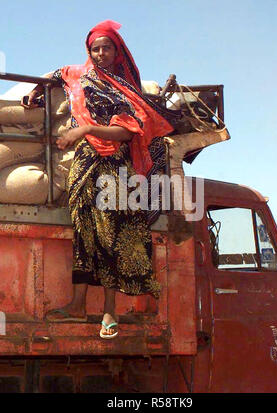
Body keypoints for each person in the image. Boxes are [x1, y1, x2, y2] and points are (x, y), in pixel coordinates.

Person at [21, 20, 178, 339]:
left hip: (114, 165)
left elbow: (127, 131)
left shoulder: (125, 90)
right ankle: (77, 304)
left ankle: (109, 310)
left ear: (117, 51)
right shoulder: (75, 74)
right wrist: (35, 91)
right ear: (88, 52)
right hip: (84, 163)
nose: (101, 53)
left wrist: (87, 129)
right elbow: (54, 75)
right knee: (83, 231)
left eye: (107, 48)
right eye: (96, 48)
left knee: (111, 234)